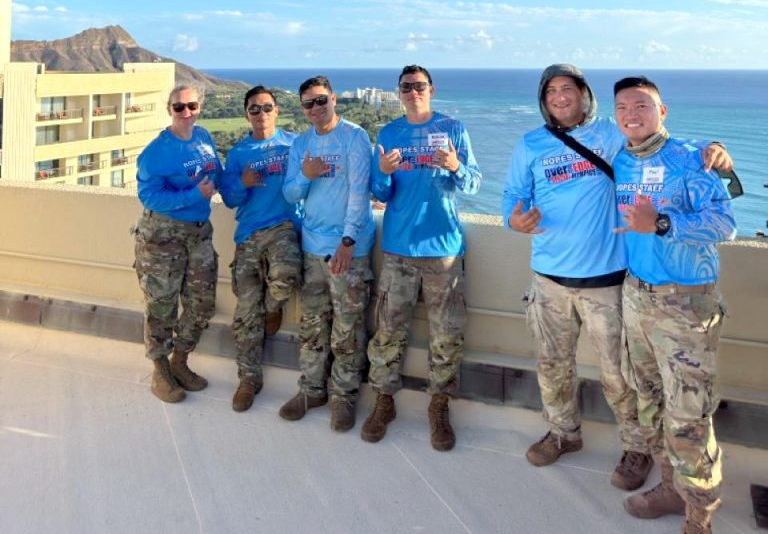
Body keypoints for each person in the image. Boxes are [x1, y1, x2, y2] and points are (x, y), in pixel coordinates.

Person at [502, 64, 731, 490]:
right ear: (543, 99)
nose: (560, 96)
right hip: (548, 279)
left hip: (606, 282)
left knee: (619, 374)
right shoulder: (530, 143)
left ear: (585, 95)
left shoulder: (611, 134)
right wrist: (514, 220)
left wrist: (713, 148)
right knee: (553, 366)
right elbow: (513, 194)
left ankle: (637, 446)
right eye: (551, 90)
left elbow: (661, 141)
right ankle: (563, 433)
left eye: (568, 88)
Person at [613, 76, 736, 534]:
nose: (631, 113)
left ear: (663, 111)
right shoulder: (621, 158)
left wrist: (661, 222)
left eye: (642, 105)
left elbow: (725, 223)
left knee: (688, 414)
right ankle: (669, 487)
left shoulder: (690, 159)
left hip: (685, 306)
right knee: (652, 404)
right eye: (622, 106)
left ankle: (698, 516)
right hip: (636, 297)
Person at [362, 65, 481, 451]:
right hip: (398, 248)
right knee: (388, 332)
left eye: (419, 86)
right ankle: (383, 401)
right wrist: (381, 172)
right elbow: (380, 191)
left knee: (446, 335)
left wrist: (455, 166)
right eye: (406, 86)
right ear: (399, 93)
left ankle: (439, 407)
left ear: (432, 89)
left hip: (443, 249)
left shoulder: (454, 128)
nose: (413, 91)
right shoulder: (389, 132)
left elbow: (474, 183)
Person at [279, 76, 375, 432]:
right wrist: (305, 175)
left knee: (348, 327)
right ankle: (311, 390)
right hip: (312, 248)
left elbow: (358, 192)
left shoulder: (354, 136)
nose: (316, 109)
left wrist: (348, 242)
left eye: (321, 101)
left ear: (333, 99)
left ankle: (344, 397)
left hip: (347, 248)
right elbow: (290, 194)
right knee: (312, 325)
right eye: (308, 104)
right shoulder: (301, 143)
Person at [133, 84, 220, 403]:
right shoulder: (156, 152)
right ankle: (159, 370)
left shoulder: (204, 138)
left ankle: (179, 362)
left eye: (192, 106)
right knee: (162, 305)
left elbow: (217, 175)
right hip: (163, 236)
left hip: (199, 233)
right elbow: (149, 195)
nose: (186, 112)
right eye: (179, 107)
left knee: (202, 303)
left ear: (199, 107)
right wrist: (193, 195)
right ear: (169, 109)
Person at [220, 85, 302, 412]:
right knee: (245, 313)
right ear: (246, 114)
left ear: (277, 110)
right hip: (249, 235)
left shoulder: (293, 144)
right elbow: (229, 198)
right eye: (254, 109)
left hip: (283, 227)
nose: (261, 114)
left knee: (285, 274)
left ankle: (273, 308)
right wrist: (244, 183)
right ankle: (248, 379)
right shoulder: (239, 153)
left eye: (267, 107)